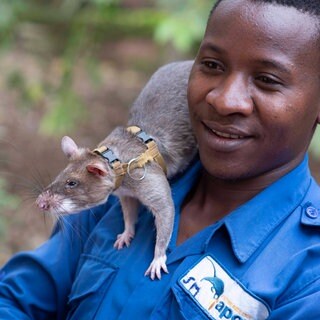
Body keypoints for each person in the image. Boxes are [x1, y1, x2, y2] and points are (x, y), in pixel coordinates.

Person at [1, 0, 320, 318]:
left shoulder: (309, 273)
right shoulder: (122, 176)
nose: (223, 100)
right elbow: (16, 298)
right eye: (212, 65)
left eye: (267, 79)